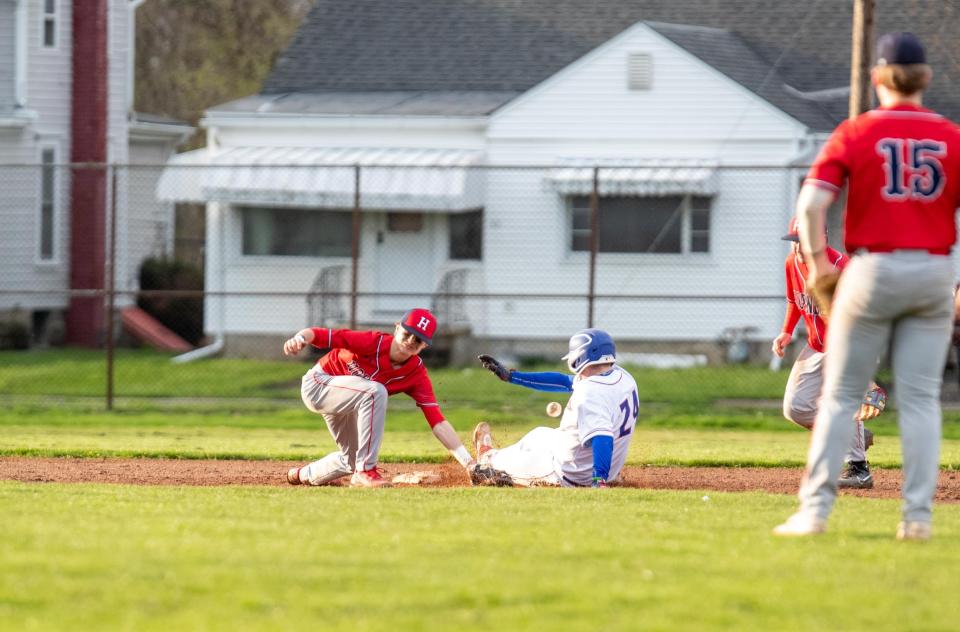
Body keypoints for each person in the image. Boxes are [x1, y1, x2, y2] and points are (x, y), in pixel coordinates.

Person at [774, 32, 960, 539]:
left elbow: (811, 207)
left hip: (873, 269)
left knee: (840, 395)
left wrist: (817, 267)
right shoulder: (951, 135)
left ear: (876, 78)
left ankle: (815, 513)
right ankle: (918, 520)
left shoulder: (856, 132)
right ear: (925, 79)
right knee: (922, 399)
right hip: (935, 274)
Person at [283, 308, 476, 488]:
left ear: (424, 345)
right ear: (397, 327)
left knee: (351, 460)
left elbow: (438, 422)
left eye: (417, 339)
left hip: (350, 400)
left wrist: (470, 464)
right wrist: (300, 338)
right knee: (376, 391)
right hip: (319, 385)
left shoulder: (416, 374)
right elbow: (320, 334)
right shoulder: (372, 342)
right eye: (407, 333)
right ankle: (366, 470)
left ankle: (301, 474)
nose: (410, 341)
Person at [772, 217, 886, 489]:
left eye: (804, 242)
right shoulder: (791, 263)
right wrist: (786, 331)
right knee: (795, 408)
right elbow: (794, 300)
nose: (798, 248)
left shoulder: (840, 268)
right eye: (795, 242)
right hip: (816, 344)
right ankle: (850, 435)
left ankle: (859, 470)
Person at [474, 329, 639, 487]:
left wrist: (599, 480)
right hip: (594, 461)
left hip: (571, 473)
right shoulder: (622, 376)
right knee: (538, 434)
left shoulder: (590, 392)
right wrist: (512, 377)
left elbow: (603, 438)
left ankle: (488, 458)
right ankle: (608, 476)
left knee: (508, 463)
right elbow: (563, 381)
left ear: (582, 357)